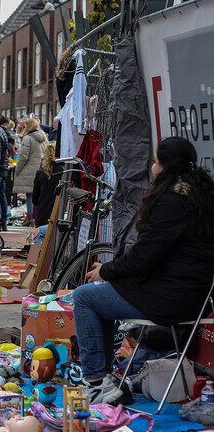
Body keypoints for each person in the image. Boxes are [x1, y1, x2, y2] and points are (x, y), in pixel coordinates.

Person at [74, 137, 214, 405]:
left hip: (172, 297)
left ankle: (94, 381)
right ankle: (106, 379)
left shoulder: (173, 201)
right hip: (187, 293)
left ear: (164, 166)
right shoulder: (198, 195)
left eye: (155, 161)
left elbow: (143, 257)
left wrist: (106, 270)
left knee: (84, 297)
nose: (152, 166)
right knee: (97, 296)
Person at [13, 117, 47, 226]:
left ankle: (30, 217)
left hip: (29, 170)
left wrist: (17, 169)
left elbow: (23, 156)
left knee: (29, 196)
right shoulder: (43, 137)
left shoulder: (27, 138)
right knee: (38, 195)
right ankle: (36, 216)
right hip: (41, 168)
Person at [31, 142, 62, 244]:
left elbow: (35, 198)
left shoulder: (41, 173)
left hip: (43, 211)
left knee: (40, 239)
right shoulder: (63, 172)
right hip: (58, 210)